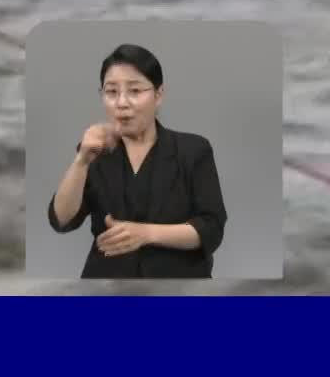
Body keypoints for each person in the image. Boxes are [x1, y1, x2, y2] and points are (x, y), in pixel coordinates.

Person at [47, 43, 228, 278]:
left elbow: (211, 228)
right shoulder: (96, 151)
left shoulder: (193, 150)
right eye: (111, 92)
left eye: (135, 91)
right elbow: (61, 220)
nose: (122, 102)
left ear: (158, 94)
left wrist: (145, 233)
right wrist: (81, 160)